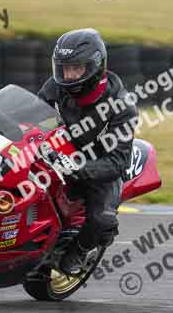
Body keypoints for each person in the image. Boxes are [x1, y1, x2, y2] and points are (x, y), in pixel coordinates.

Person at [37, 28, 138, 275]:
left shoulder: (121, 107)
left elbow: (118, 161)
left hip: (99, 164)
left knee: (103, 219)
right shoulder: (57, 86)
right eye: (63, 69)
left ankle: (82, 250)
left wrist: (79, 169)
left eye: (76, 69)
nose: (68, 76)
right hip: (58, 150)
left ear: (95, 67)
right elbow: (33, 114)